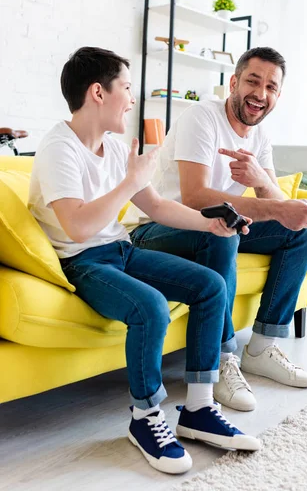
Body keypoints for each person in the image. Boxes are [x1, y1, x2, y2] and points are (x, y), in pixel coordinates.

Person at [28, 47, 260, 476]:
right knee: (151, 308)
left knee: (212, 286)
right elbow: (77, 227)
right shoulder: (58, 147)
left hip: (122, 250)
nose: (132, 98)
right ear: (98, 92)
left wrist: (211, 225)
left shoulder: (115, 148)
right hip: (84, 262)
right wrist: (130, 181)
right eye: (127, 87)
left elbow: (155, 206)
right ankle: (145, 417)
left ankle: (198, 409)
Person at [131, 46, 307, 413]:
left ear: (277, 96)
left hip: (212, 227)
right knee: (221, 228)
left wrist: (261, 181)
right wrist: (274, 205)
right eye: (253, 81)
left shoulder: (260, 135)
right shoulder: (201, 117)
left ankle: (262, 346)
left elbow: (277, 202)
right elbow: (194, 196)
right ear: (234, 83)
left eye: (271, 87)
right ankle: (221, 359)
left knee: (299, 231)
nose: (260, 94)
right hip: (159, 228)